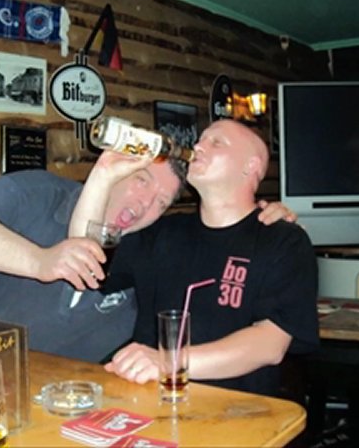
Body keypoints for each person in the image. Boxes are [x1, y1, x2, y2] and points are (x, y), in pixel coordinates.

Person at [0, 150, 297, 363]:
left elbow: (217, 262)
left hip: (47, 401)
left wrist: (261, 225)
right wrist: (39, 261)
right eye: (141, 180)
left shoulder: (145, 251)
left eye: (162, 201)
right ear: (114, 170)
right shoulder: (45, 193)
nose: (145, 204)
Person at [99, 119, 319, 396]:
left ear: (250, 166)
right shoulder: (162, 232)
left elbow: (270, 344)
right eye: (201, 140)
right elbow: (89, 260)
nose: (199, 146)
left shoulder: (284, 241)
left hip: (235, 409)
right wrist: (103, 174)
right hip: (147, 400)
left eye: (216, 142)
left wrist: (169, 362)